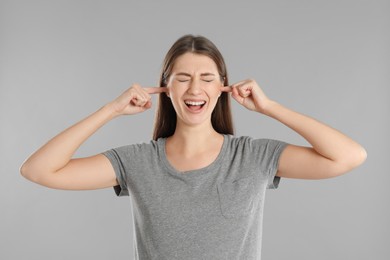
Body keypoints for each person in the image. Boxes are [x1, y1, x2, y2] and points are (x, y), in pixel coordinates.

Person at [20, 34, 367, 259]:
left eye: (207, 78)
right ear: (165, 89)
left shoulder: (253, 156)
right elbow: (38, 170)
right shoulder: (139, 161)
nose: (194, 89)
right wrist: (110, 110)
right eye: (182, 79)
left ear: (224, 89)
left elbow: (349, 156)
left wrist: (269, 107)